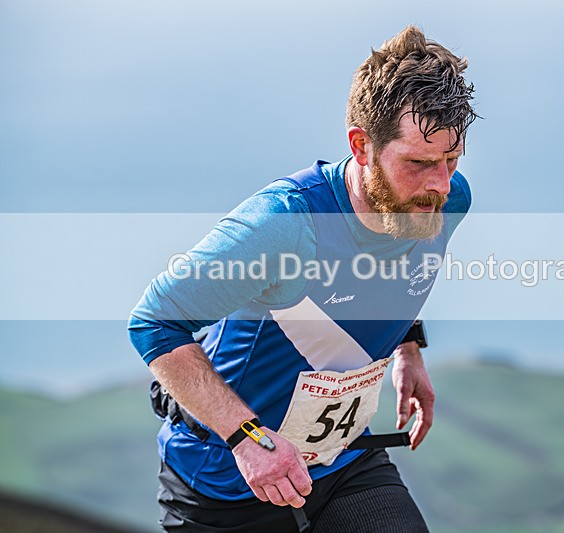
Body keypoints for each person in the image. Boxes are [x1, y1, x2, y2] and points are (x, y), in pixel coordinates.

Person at [128, 25, 477, 532]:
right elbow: (154, 325)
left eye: (451, 159)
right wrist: (249, 438)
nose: (440, 184)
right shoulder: (285, 224)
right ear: (362, 146)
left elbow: (397, 270)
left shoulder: (445, 201)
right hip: (227, 480)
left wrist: (408, 347)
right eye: (419, 163)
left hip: (342, 462)